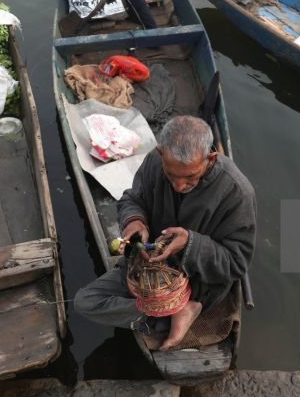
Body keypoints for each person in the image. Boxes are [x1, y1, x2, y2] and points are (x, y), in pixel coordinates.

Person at [74, 116, 257, 350]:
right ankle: (169, 314)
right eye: (171, 175)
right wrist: (134, 222)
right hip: (147, 266)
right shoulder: (153, 162)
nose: (179, 185)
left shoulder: (237, 193)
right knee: (85, 302)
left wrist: (190, 243)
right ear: (161, 153)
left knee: (205, 288)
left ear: (210, 158)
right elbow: (132, 199)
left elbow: (236, 264)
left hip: (199, 283)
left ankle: (189, 305)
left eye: (190, 176)